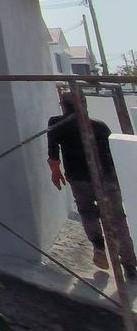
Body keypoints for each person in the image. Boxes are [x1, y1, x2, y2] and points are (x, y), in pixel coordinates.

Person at [47, 91, 137, 278]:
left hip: (79, 179)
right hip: (107, 178)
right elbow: (112, 155)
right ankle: (129, 265)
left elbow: (53, 154)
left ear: (63, 106)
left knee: (88, 212)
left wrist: (55, 172)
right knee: (118, 220)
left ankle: (98, 247)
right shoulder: (99, 126)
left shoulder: (57, 123)